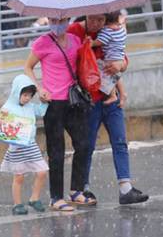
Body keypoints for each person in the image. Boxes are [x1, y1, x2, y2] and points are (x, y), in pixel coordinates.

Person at [67, 14, 149, 205]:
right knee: (86, 146)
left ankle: (125, 188)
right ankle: (83, 187)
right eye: (93, 19)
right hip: (88, 100)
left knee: (120, 142)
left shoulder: (107, 30)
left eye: (101, 20)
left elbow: (122, 58)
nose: (97, 24)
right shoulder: (75, 31)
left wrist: (121, 64)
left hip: (110, 96)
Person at [24, 17, 95, 212]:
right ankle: (56, 197)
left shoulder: (75, 40)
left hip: (73, 100)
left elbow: (83, 61)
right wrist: (39, 88)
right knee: (56, 151)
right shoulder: (42, 42)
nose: (58, 23)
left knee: (83, 144)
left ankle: (76, 190)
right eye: (54, 19)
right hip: (53, 103)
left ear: (68, 20)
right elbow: (28, 66)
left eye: (62, 19)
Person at [0, 74, 49, 215]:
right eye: (24, 95)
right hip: (16, 147)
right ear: (16, 92)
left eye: (29, 95)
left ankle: (34, 198)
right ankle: (17, 204)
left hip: (31, 144)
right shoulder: (7, 108)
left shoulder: (30, 106)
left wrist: (44, 102)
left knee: (42, 171)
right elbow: (1, 128)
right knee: (19, 176)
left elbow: (40, 111)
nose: (27, 98)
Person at [91, 10, 128, 103]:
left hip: (111, 58)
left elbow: (100, 41)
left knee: (105, 74)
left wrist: (91, 43)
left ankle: (113, 95)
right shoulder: (121, 30)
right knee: (115, 76)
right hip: (119, 55)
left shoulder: (107, 31)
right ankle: (122, 93)